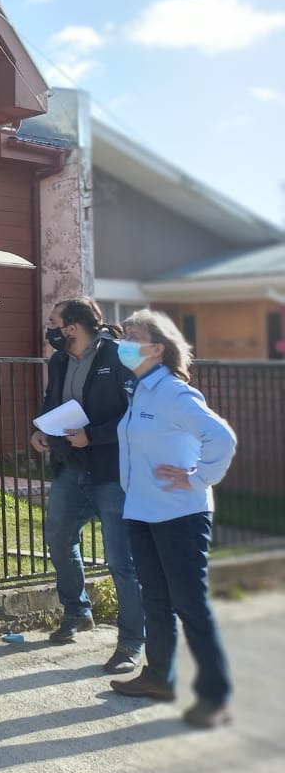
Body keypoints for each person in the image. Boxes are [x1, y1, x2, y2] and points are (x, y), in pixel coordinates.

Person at [108, 309, 237, 730]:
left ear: (157, 348)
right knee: (156, 599)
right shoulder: (141, 390)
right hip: (142, 511)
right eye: (124, 333)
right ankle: (158, 677)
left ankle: (215, 697)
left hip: (180, 514)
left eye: (133, 335)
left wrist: (198, 477)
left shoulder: (174, 393)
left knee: (189, 604)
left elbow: (221, 438)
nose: (124, 340)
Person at [31, 297, 144, 674]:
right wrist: (41, 431)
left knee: (121, 561)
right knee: (60, 538)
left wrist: (92, 436)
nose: (49, 329)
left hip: (113, 473)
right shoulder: (60, 359)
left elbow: (137, 415)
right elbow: (53, 402)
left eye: (54, 322)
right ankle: (77, 611)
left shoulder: (119, 356)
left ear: (73, 326)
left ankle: (131, 641)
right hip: (71, 468)